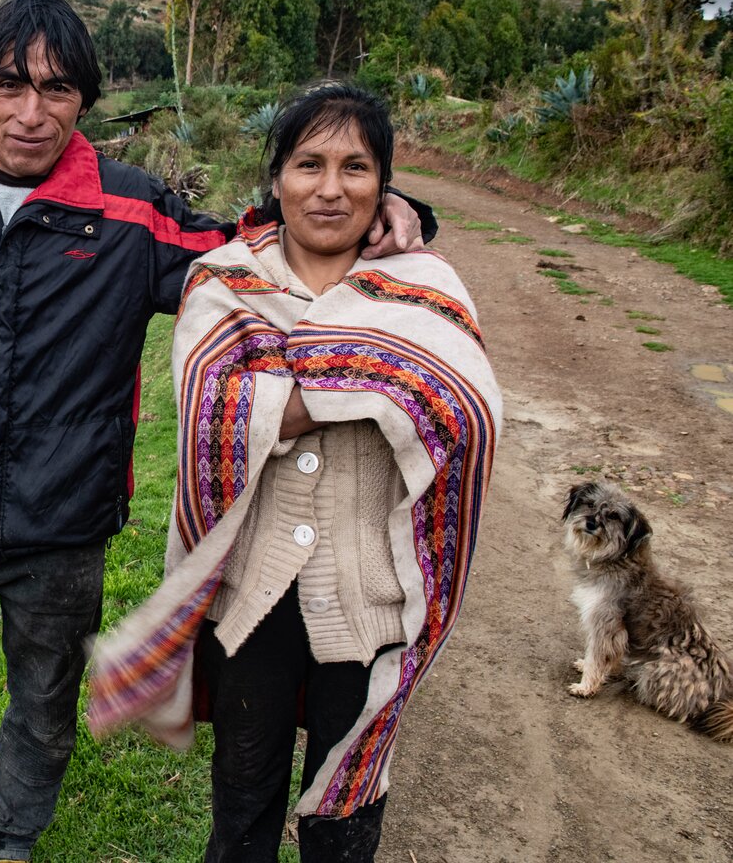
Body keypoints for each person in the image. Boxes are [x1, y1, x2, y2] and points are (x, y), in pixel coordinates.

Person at [0, 0, 430, 863]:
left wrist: (384, 213)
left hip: (63, 528)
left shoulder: (129, 212)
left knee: (45, 710)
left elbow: (250, 249)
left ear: (84, 101)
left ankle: (3, 845)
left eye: (57, 90)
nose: (31, 113)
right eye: (12, 84)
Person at [87, 82, 502, 862]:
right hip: (255, 597)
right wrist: (379, 378)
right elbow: (211, 408)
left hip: (372, 597)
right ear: (276, 179)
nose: (331, 187)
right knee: (243, 804)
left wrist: (290, 386)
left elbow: (466, 409)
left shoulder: (426, 285)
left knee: (344, 819)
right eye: (309, 164)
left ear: (384, 186)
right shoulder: (222, 280)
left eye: (356, 167)